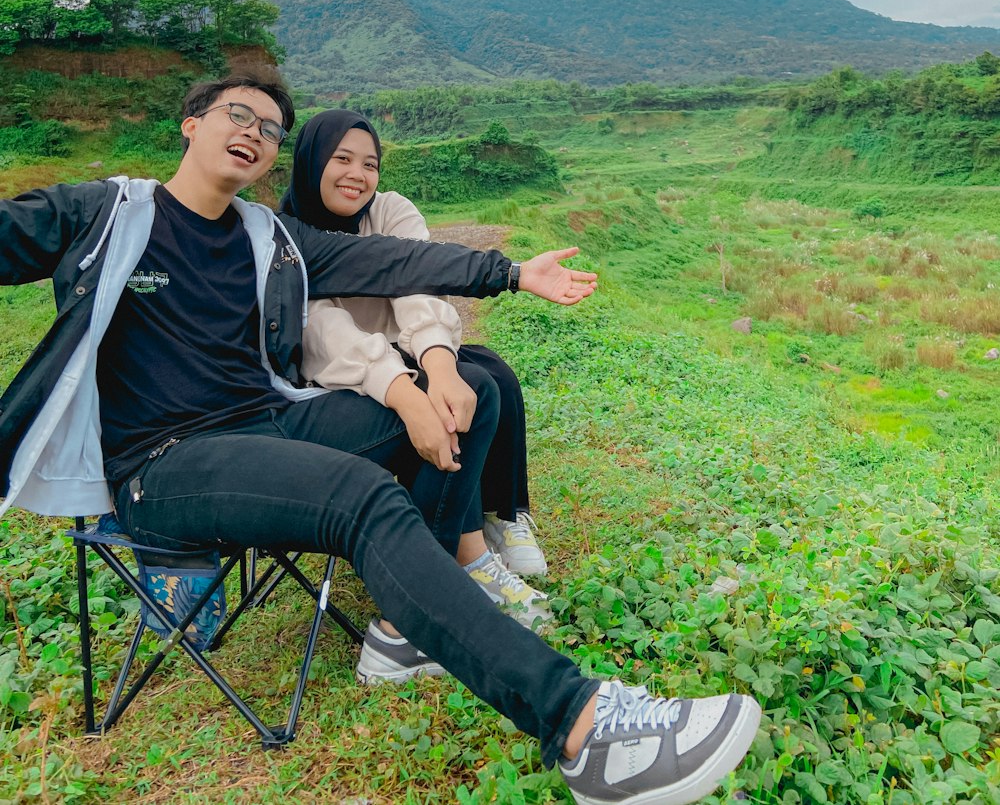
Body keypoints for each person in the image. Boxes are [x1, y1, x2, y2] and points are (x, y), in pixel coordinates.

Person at [0, 75, 761, 805]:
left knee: (463, 395)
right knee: (357, 495)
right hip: (163, 465)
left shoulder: (272, 237)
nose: (253, 133)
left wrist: (508, 272)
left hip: (264, 422)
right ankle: (583, 727)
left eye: (269, 129)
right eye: (238, 115)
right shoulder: (105, 212)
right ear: (192, 123)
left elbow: (396, 260)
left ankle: (403, 632)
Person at [278, 108, 548, 624]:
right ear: (311, 161)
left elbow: (415, 278)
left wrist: (437, 364)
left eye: (370, 164)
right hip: (338, 376)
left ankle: (503, 515)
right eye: (342, 159)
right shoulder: (286, 238)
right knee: (470, 388)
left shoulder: (390, 210)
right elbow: (323, 333)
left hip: (405, 349)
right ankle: (465, 558)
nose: (358, 175)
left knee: (492, 373)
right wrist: (406, 385)